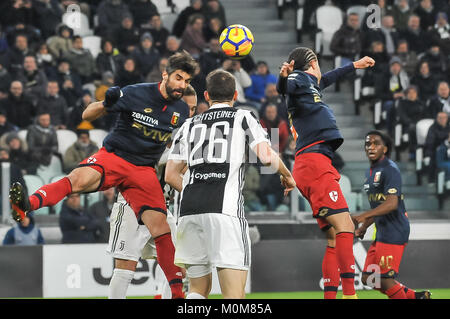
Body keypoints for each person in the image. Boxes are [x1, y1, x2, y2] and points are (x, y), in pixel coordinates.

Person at [9, 51, 198, 300]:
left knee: (161, 229)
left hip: (143, 171)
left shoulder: (181, 112)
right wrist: (105, 103)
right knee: (76, 180)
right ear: (165, 75)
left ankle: (176, 295)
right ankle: (26, 205)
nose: (181, 85)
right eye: (178, 78)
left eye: (186, 81)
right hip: (114, 157)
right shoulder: (136, 92)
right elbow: (86, 116)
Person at [164, 69, 296, 299]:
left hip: (188, 212)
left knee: (197, 290)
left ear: (206, 95)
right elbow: (266, 156)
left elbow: (170, 175)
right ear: (235, 95)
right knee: (234, 296)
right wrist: (286, 173)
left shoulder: (188, 125)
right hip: (225, 212)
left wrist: (195, 189)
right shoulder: (243, 117)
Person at [277, 47, 375, 299]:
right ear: (311, 63)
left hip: (313, 162)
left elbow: (330, 76)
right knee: (345, 227)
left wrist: (355, 65)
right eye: (317, 62)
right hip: (314, 162)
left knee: (333, 238)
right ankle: (350, 295)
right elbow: (284, 88)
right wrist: (284, 76)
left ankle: (331, 296)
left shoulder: (312, 84)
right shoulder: (298, 79)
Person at [107, 86, 197, 299]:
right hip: (131, 206)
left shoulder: (186, 137)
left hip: (162, 208)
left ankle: (163, 295)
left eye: (194, 109)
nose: (190, 113)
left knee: (179, 265)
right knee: (125, 267)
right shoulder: (149, 129)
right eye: (187, 107)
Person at [352, 130, 431, 299]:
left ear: (385, 149)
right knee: (368, 278)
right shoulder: (369, 173)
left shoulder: (390, 169)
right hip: (381, 232)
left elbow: (391, 204)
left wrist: (362, 216)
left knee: (385, 280)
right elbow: (379, 206)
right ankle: (415, 297)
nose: (371, 147)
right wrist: (364, 227)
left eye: (376, 144)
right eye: (368, 144)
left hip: (394, 230)